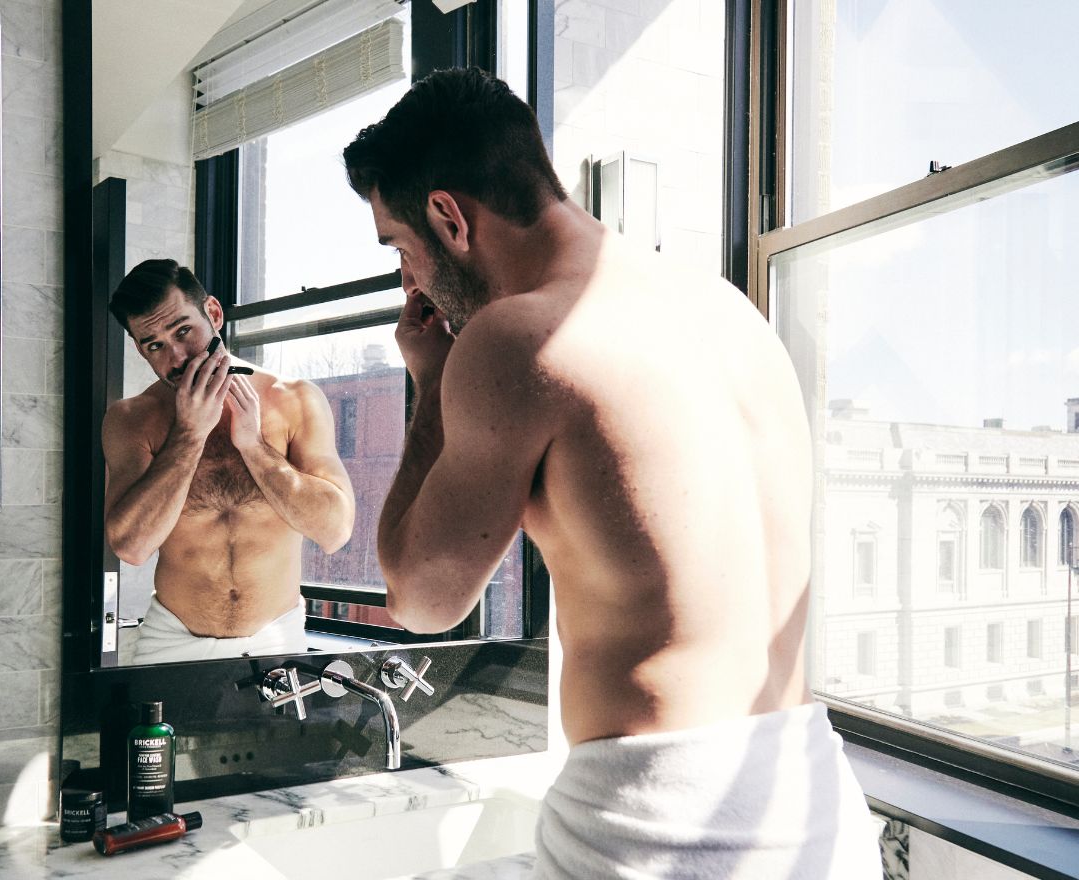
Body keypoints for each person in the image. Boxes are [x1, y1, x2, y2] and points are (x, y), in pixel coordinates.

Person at [344, 69, 880, 878]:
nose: (408, 280)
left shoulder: (517, 337)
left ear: (450, 217)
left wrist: (428, 387)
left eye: (400, 247)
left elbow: (421, 600)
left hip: (662, 830)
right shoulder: (730, 311)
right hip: (818, 815)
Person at [102, 259, 355, 663]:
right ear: (139, 349)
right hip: (171, 641)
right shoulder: (132, 420)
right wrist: (189, 435)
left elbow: (334, 531)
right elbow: (131, 546)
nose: (178, 356)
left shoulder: (296, 401)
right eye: (155, 345)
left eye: (184, 331)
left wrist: (254, 446)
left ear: (214, 314)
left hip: (279, 638)